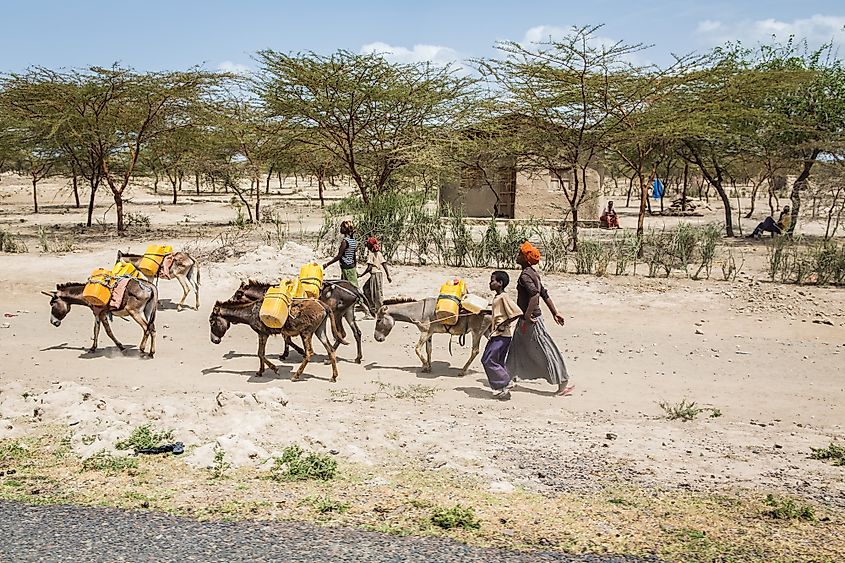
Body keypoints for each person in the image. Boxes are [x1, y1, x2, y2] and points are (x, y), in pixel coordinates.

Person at [505, 241, 574, 397]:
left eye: (520, 254)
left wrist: (528, 316)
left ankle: (562, 382)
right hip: (530, 318)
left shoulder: (525, 276)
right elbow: (544, 293)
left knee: (544, 349)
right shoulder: (533, 273)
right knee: (516, 347)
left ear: (526, 259)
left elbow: (535, 295)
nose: (517, 256)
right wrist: (555, 312)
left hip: (531, 320)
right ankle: (507, 377)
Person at [481, 270, 522, 400]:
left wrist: (504, 324)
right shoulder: (497, 298)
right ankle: (503, 390)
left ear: (500, 283)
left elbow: (517, 312)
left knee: (487, 359)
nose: (490, 283)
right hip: (499, 335)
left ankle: (506, 382)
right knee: (498, 361)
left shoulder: (504, 297)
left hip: (501, 335)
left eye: (492, 280)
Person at [360, 236, 392, 316]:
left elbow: (369, 268)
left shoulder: (371, 254)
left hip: (375, 275)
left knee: (376, 292)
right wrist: (388, 275)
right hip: (379, 274)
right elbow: (384, 264)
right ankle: (374, 306)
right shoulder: (379, 253)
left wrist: (361, 275)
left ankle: (379, 309)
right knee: (369, 289)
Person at [323, 221, 359, 287]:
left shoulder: (345, 241)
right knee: (348, 285)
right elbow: (354, 256)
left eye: (342, 227)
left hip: (346, 267)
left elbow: (339, 256)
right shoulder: (353, 241)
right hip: (351, 267)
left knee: (352, 287)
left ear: (345, 229)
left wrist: (327, 264)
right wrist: (355, 267)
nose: (340, 228)